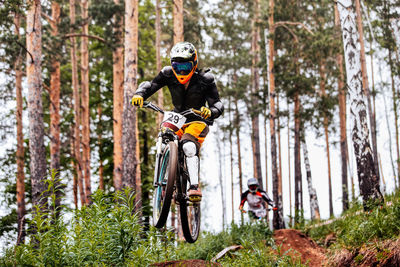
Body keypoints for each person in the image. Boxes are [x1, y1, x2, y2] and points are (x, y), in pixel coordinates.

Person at [131, 42, 224, 202]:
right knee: (164, 136)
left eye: (185, 67)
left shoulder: (205, 79)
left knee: (188, 146)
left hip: (197, 120)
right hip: (177, 117)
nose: (181, 71)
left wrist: (211, 112)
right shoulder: (167, 74)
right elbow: (150, 85)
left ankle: (194, 187)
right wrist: (140, 94)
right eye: (176, 66)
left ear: (194, 65)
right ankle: (167, 173)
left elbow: (218, 104)